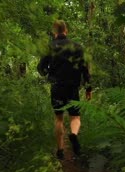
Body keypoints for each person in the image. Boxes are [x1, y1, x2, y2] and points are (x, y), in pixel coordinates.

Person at [37, 20, 91, 160]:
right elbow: (85, 69)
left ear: (55, 32)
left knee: (59, 118)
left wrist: (48, 74)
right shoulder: (77, 47)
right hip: (73, 87)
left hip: (57, 86)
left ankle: (60, 151)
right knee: (75, 117)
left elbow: (40, 67)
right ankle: (73, 134)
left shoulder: (50, 47)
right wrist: (88, 88)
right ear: (66, 31)